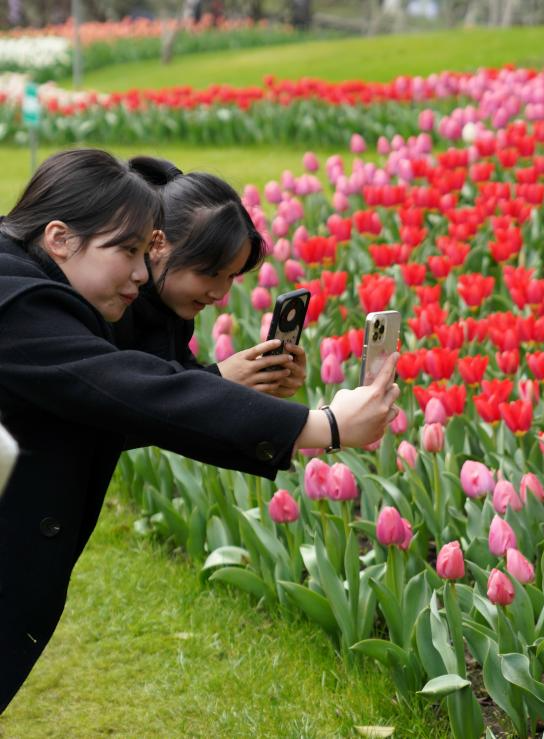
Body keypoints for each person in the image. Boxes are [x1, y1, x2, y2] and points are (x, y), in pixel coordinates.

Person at [0, 148, 401, 713]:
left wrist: (221, 381)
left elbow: (115, 400)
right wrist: (327, 426)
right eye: (131, 252)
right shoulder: (17, 304)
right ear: (61, 237)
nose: (141, 273)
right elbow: (132, 389)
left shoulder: (54, 291)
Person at [112, 158, 306, 399]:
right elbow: (133, 404)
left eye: (231, 275)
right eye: (210, 272)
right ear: (157, 244)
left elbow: (180, 381)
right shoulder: (116, 306)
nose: (219, 292)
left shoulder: (170, 306)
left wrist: (258, 381)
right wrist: (221, 378)